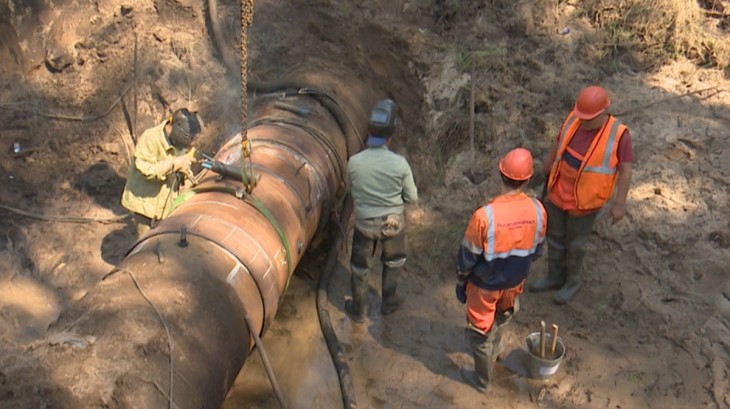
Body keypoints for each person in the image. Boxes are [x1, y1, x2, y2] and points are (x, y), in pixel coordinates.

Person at [528, 85, 634, 304]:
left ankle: (572, 282)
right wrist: (547, 161)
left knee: (576, 244)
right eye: (582, 117)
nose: (584, 122)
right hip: (557, 191)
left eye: (589, 119)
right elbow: (558, 141)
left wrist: (620, 203)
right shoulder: (574, 119)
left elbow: (626, 169)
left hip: (585, 201)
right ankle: (554, 277)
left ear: (604, 112)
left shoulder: (619, 135)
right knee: (555, 237)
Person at [455, 147, 547, 392]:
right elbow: (537, 251)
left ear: (500, 173)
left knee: (479, 331)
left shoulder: (484, 216)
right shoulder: (539, 211)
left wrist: (461, 281)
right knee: (503, 316)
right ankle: (494, 354)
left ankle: (482, 380)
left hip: (484, 287)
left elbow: (467, 258)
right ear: (528, 179)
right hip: (514, 283)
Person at [344, 98, 418, 323]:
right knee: (394, 262)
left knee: (359, 267)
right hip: (393, 224)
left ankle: (358, 310)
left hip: (364, 225)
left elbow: (350, 189)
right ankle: (389, 303)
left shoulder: (355, 162)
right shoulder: (400, 164)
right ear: (390, 136)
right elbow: (412, 197)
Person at [121, 108, 201, 237]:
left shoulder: (182, 144)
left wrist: (186, 180)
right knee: (146, 244)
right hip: (145, 204)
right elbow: (146, 169)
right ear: (180, 131)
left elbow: (185, 163)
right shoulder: (151, 138)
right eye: (190, 139)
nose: (192, 144)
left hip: (166, 204)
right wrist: (174, 164)